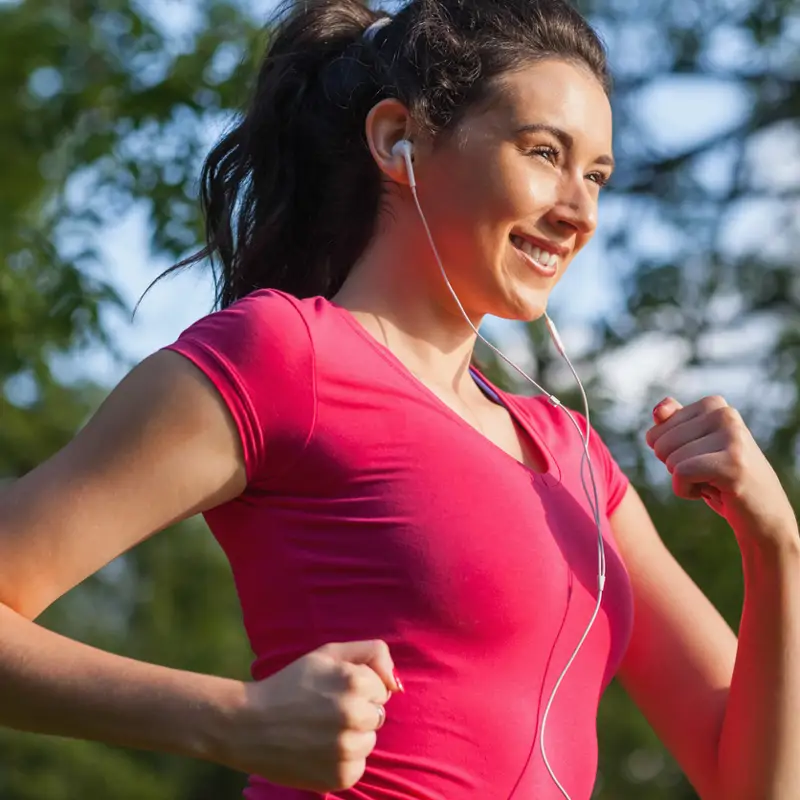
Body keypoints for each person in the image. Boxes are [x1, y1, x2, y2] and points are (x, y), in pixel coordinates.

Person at [0, 0, 798, 797]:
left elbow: (753, 783)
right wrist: (234, 719)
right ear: (397, 140)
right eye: (544, 152)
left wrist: (776, 549)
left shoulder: (574, 457)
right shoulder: (284, 356)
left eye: (596, 175)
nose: (579, 209)